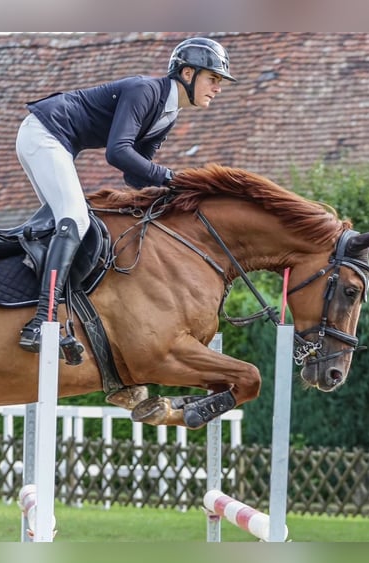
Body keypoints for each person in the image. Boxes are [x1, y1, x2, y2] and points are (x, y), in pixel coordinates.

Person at [16, 36, 236, 360]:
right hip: (45, 133)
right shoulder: (145, 90)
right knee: (75, 219)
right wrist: (171, 177)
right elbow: (118, 152)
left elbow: (135, 174)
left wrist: (172, 193)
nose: (218, 87)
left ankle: (51, 314)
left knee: (73, 224)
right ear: (188, 74)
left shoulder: (167, 113)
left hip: (54, 141)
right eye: (213, 78)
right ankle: (41, 322)